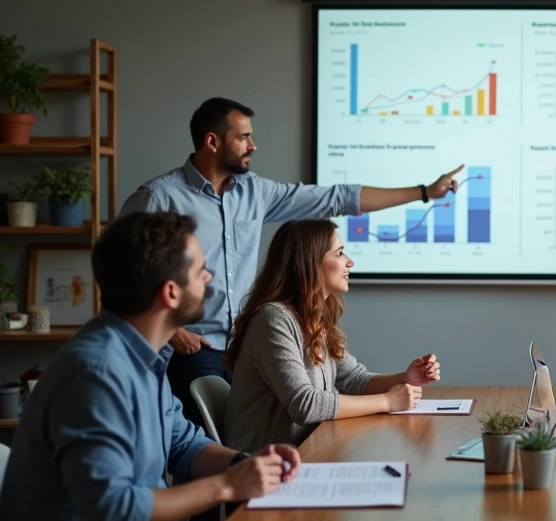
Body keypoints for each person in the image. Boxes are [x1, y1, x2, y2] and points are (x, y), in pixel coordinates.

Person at [119, 97, 462, 428]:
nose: (253, 145)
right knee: (197, 461)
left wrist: (423, 193)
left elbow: (336, 198)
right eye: (243, 137)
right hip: (191, 352)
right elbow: (117, 269)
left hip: (240, 349)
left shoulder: (254, 192)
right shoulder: (159, 196)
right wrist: (175, 332)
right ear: (212, 141)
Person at [0, 211, 302, 521]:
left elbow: (183, 445)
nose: (209, 278)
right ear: (170, 293)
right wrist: (227, 485)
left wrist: (247, 464)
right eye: (200, 271)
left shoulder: (145, 354)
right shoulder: (97, 373)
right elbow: (114, 513)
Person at [223, 219, 442, 452]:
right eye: (339, 254)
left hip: (308, 452)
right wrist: (388, 401)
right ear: (309, 263)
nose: (350, 262)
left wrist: (405, 377)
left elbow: (353, 380)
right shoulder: (273, 320)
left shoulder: (314, 317)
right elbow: (305, 405)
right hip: (263, 468)